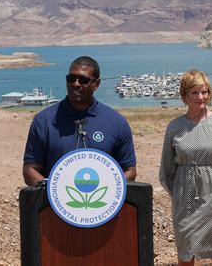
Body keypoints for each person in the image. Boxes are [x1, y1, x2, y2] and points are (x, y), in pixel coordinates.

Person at [159, 69, 212, 266]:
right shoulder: (175, 127)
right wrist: (180, 191)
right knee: (186, 250)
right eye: (194, 92)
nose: (200, 97)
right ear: (185, 95)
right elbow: (167, 169)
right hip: (185, 198)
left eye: (204, 92)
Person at [23, 56, 137, 186]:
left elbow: (129, 171)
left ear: (97, 84)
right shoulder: (44, 120)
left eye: (84, 80)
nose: (76, 84)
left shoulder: (117, 122)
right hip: (53, 204)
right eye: (71, 79)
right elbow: (30, 170)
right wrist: (57, 195)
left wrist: (108, 195)